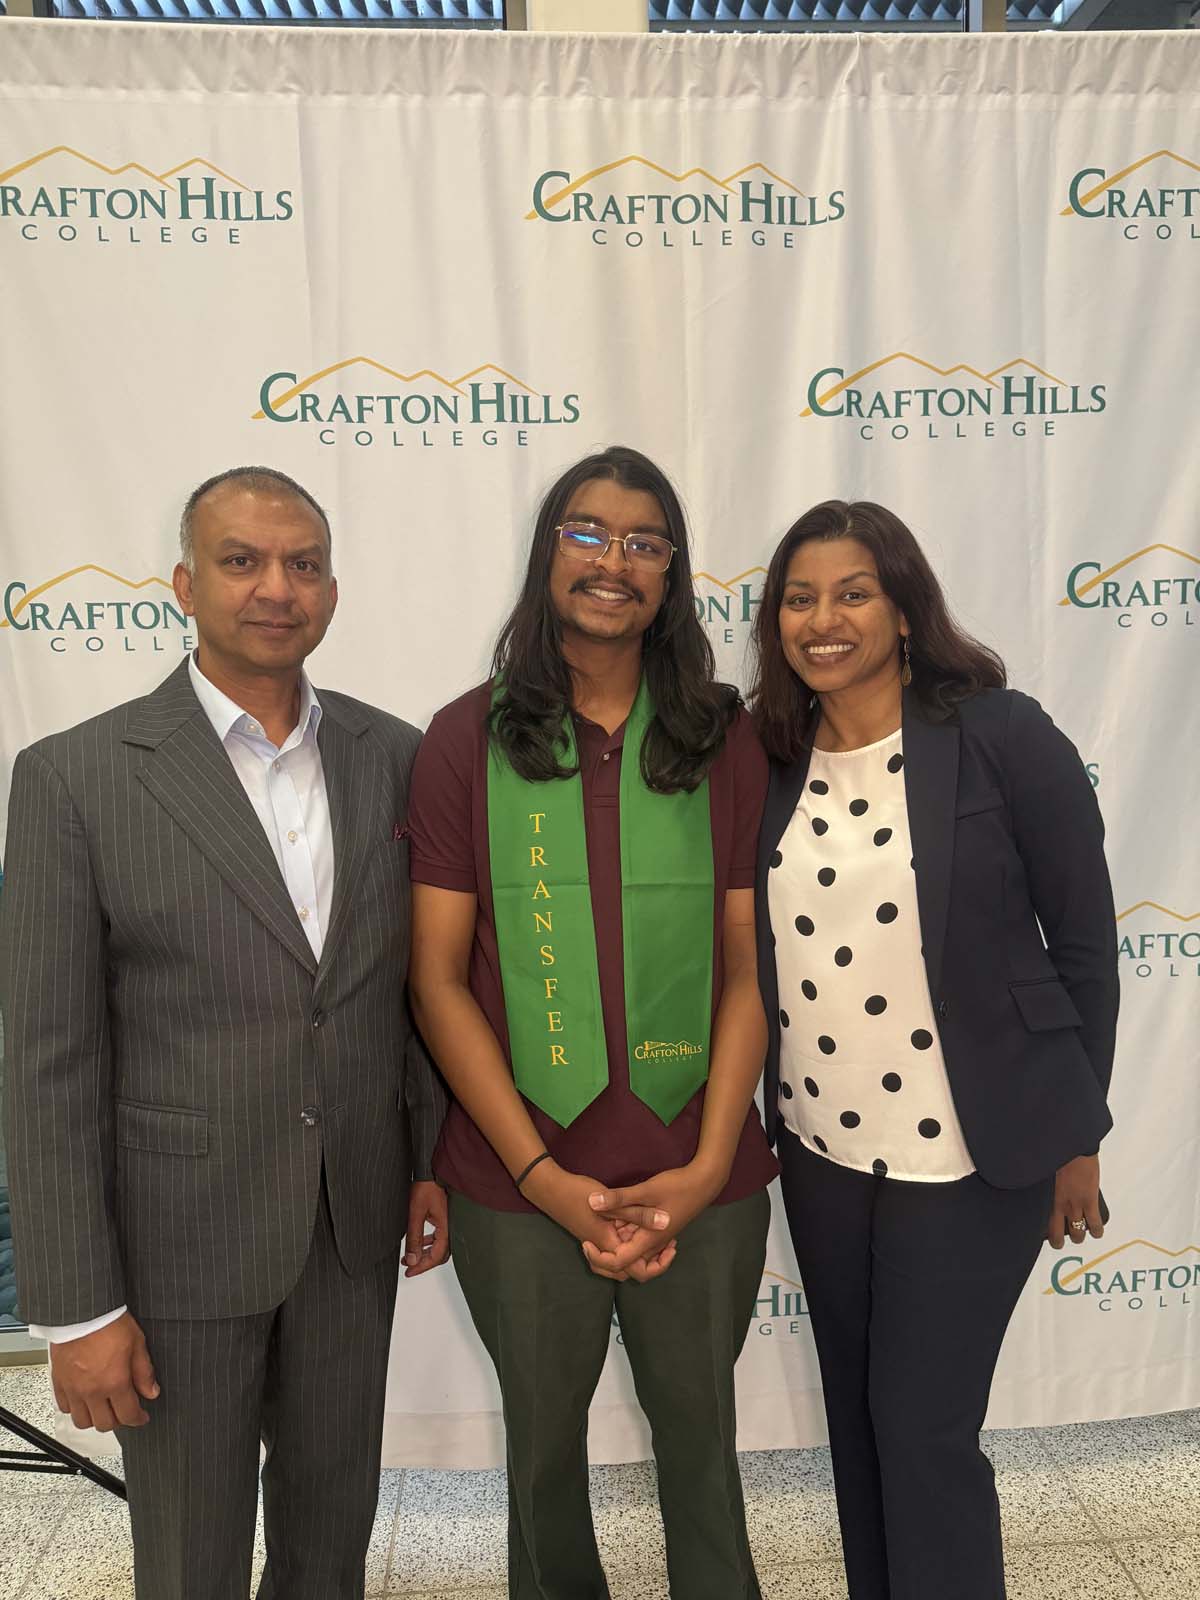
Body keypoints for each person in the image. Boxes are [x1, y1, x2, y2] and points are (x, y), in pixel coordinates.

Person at [0, 466, 449, 1600]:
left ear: (334, 590)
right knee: (192, 1557)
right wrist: (79, 1306)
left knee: (330, 1534)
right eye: (242, 562)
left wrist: (430, 1159)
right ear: (184, 585)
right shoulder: (74, 778)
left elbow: (405, 993)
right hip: (176, 1248)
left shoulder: (395, 759)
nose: (275, 588)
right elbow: (45, 1060)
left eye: (303, 563)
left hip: (352, 1229)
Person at [407, 446, 777, 1600]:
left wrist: (708, 1162)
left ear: (671, 575)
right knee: (542, 1468)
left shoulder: (724, 735)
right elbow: (437, 979)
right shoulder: (464, 736)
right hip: (518, 1184)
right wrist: (542, 1171)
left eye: (644, 541)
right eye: (587, 532)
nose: (613, 560)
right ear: (547, 552)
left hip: (698, 1170)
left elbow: (740, 973)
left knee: (705, 1458)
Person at [750, 499, 1118, 1600]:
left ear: (905, 608)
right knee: (861, 1428)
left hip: (970, 1158)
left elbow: (1088, 949)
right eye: (800, 599)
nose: (825, 619)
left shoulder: (1002, 734)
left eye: (853, 592)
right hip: (821, 1154)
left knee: (925, 1433)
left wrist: (1075, 1136)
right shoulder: (769, 757)